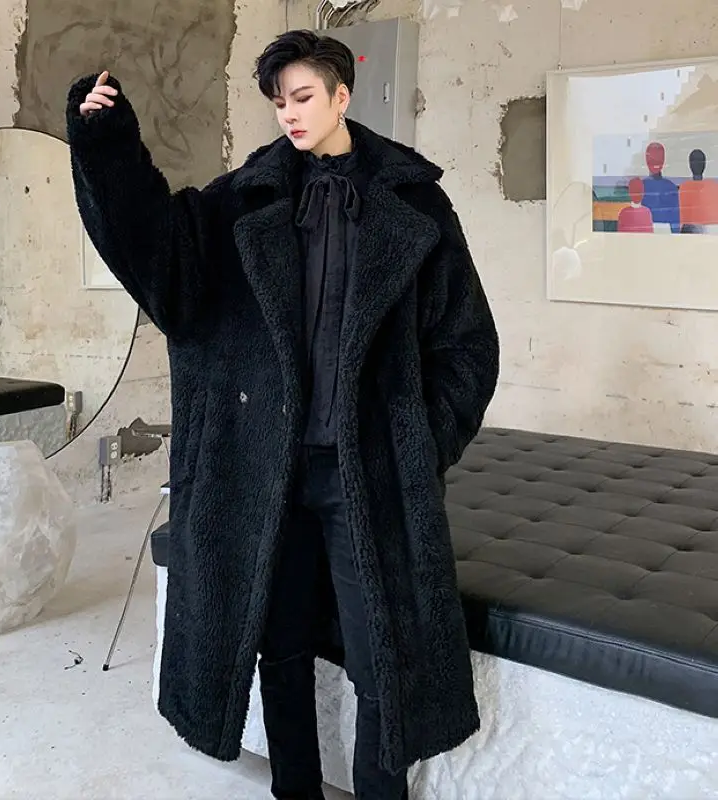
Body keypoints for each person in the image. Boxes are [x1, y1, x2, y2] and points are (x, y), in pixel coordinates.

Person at [66, 29, 499, 800]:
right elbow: (157, 259)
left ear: (341, 95)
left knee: (383, 662)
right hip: (265, 471)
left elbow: (467, 347)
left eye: (303, 97)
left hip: (366, 474)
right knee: (281, 648)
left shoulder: (414, 206)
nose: (290, 114)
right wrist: (106, 145)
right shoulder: (241, 201)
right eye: (278, 102)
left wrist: (414, 442)